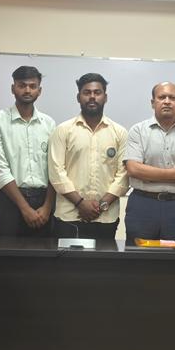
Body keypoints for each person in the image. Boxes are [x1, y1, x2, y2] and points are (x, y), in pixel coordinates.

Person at [49, 73, 128, 241]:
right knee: (68, 259)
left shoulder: (120, 133)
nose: (92, 97)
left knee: (104, 259)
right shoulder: (63, 130)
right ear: (78, 97)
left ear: (105, 97)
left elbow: (123, 175)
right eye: (86, 92)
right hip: (69, 217)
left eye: (97, 92)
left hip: (106, 217)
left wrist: (102, 205)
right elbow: (56, 172)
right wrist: (80, 203)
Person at [124, 82, 175, 245]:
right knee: (140, 255)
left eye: (172, 98)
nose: (167, 101)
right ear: (153, 103)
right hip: (143, 205)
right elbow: (133, 169)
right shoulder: (137, 130)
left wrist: (147, 172)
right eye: (161, 97)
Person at [0, 65, 56, 237]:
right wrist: (25, 208)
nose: (27, 90)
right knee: (7, 253)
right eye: (22, 85)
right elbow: (0, 169)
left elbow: (55, 168)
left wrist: (47, 207)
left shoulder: (49, 124)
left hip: (43, 203)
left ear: (39, 91)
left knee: (44, 253)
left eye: (32, 86)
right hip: (10, 200)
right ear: (13, 88)